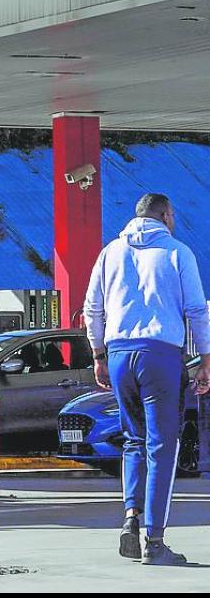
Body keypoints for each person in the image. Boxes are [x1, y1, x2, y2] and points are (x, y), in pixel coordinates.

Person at [84, 193, 210, 566]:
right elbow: (196, 310)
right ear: (165, 215)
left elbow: (93, 308)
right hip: (160, 354)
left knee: (133, 441)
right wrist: (206, 359)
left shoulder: (110, 253)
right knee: (162, 446)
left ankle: (129, 518)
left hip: (119, 353)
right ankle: (155, 540)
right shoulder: (177, 252)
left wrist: (98, 355)